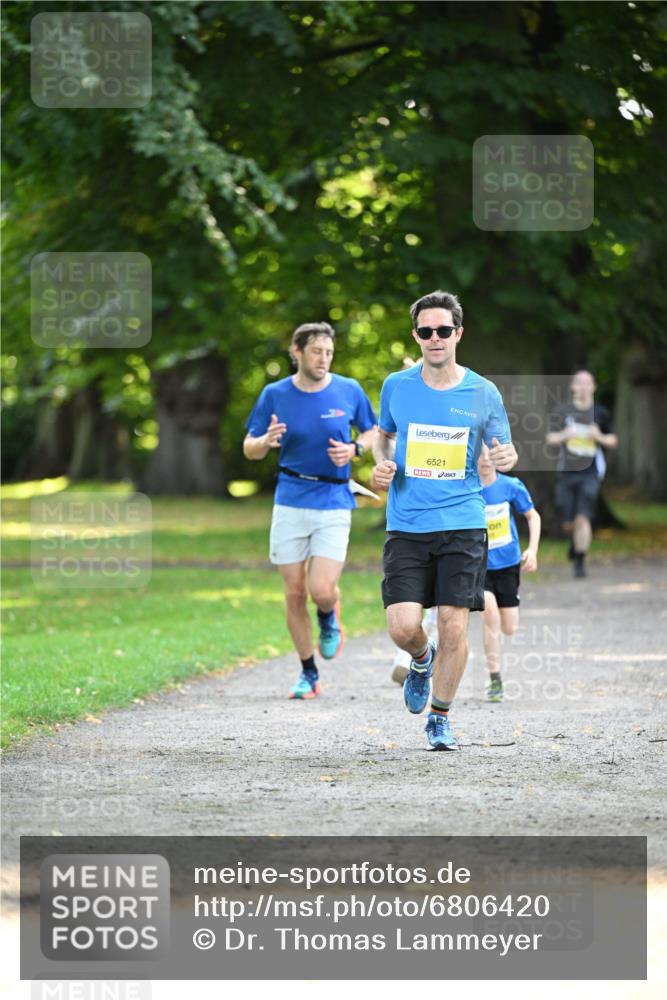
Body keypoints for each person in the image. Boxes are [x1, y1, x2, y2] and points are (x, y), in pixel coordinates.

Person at [371, 289, 517, 751]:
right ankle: (420, 657)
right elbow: (382, 437)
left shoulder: (483, 392)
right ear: (416, 335)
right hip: (407, 524)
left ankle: (439, 717)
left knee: (455, 623)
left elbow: (503, 450)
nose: (435, 338)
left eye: (443, 330)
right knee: (402, 626)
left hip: (463, 522)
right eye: (425, 331)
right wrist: (381, 464)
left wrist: (508, 455)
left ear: (458, 333)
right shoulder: (396, 385)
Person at [244, 321, 376, 699]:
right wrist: (265, 442)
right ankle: (308, 672)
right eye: (317, 351)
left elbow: (371, 431)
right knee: (293, 591)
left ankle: (329, 614)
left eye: (329, 352)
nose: (324, 359)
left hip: (335, 499)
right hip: (290, 498)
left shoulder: (348, 390)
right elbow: (249, 447)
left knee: (321, 589)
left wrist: (355, 450)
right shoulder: (275, 394)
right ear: (297, 352)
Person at [478, 443, 541, 703]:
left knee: (510, 627)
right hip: (477, 566)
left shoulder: (511, 486)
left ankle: (509, 609)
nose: (484, 459)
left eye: (489, 454)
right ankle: (495, 679)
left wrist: (533, 550)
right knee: (489, 613)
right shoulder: (465, 488)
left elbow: (532, 516)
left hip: (507, 565)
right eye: (478, 454)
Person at [546, 370, 618, 578]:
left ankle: (580, 561)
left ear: (594, 386)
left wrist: (600, 437)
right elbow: (550, 438)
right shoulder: (562, 412)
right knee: (568, 522)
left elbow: (613, 440)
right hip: (567, 472)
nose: (583, 387)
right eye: (579, 383)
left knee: (582, 518)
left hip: (590, 472)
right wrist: (564, 435)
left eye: (587, 383)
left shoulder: (601, 413)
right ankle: (574, 543)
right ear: (572, 387)